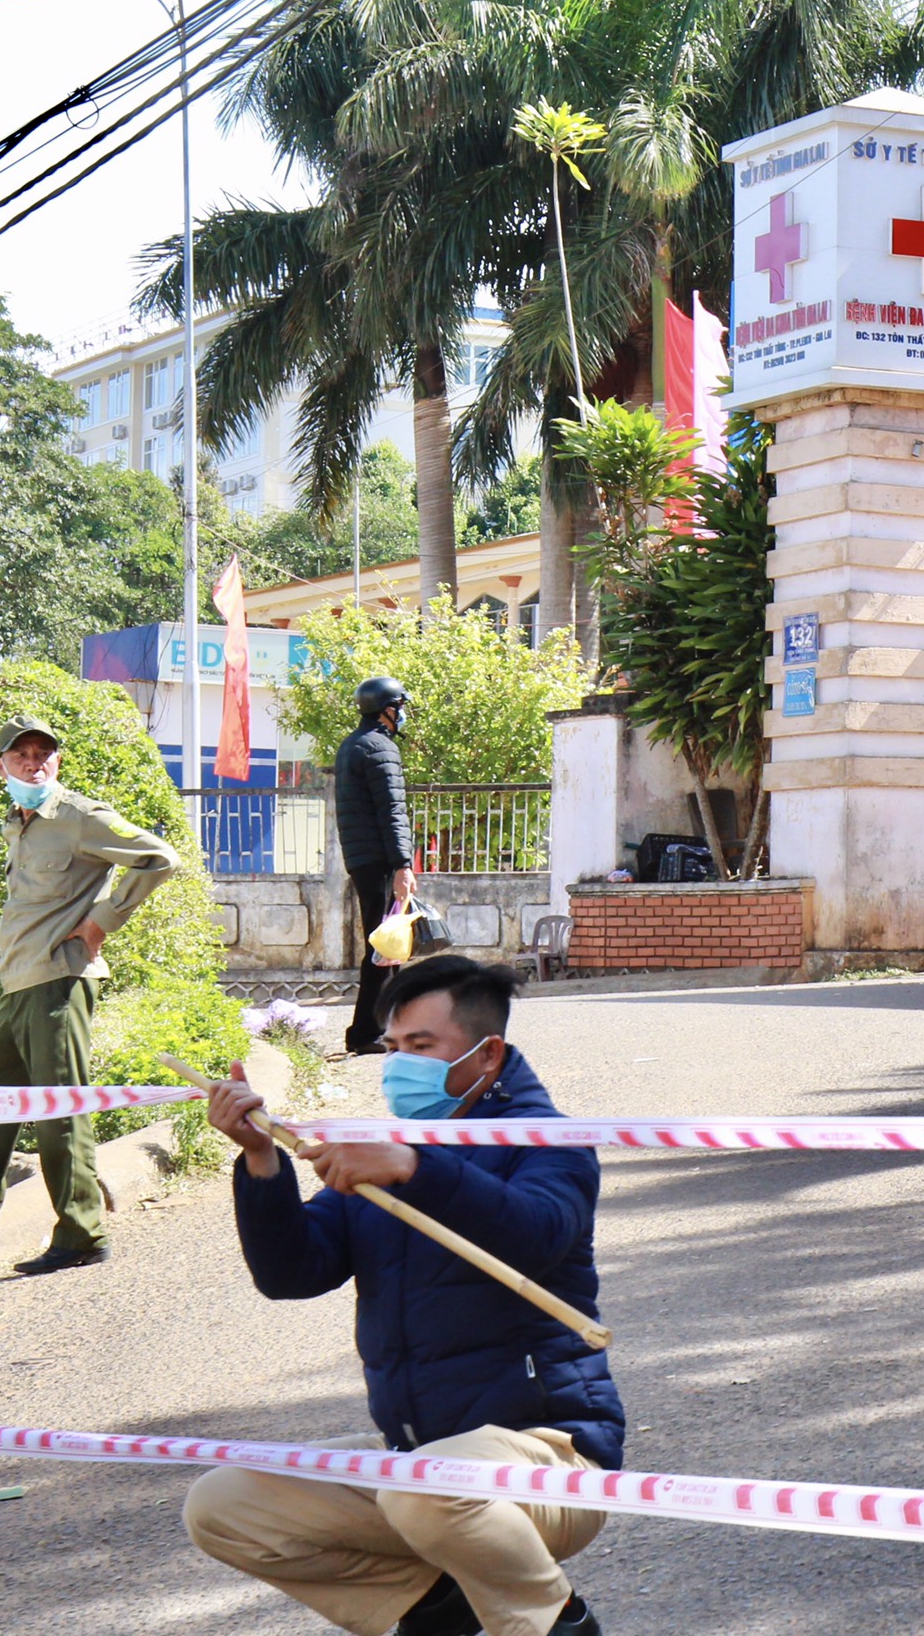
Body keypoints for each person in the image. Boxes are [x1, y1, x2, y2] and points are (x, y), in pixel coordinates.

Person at [189, 954, 619, 1636]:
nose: (399, 1065)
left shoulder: (549, 1142)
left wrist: (417, 1168)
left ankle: (556, 1623)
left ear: (487, 1055)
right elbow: (292, 1274)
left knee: (428, 1487)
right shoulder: (385, 1151)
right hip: (420, 1469)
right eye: (392, 1048)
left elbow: (537, 1235)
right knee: (225, 1503)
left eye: (421, 1046)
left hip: (550, 1459)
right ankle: (439, 1605)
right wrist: (260, 1158)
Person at [0, 716, 180, 1275]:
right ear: (1, 765)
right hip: (20, 983)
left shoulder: (78, 816)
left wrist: (100, 922)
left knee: (59, 1109)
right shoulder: (18, 823)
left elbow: (160, 858)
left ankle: (81, 1232)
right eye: (21, 756)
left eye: (43, 754)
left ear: (57, 760)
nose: (33, 764)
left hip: (59, 979)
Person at [336, 675, 417, 1056]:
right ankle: (367, 1032)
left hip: (362, 858)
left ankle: (383, 1028)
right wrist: (403, 865)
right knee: (385, 946)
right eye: (400, 708)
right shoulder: (380, 747)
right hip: (381, 860)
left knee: (385, 945)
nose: (403, 715)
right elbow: (392, 811)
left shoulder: (352, 744)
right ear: (387, 710)